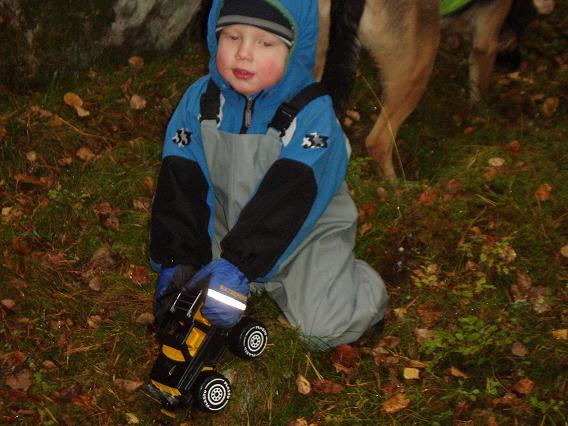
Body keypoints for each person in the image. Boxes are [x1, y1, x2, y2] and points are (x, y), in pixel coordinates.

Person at [149, 0, 388, 350]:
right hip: (229, 225)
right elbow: (181, 182)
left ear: (295, 49)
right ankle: (243, 274)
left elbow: (291, 199)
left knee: (325, 327)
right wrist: (178, 258)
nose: (244, 53)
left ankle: (361, 289)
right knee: (189, 297)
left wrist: (239, 263)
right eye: (233, 37)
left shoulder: (312, 114)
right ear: (214, 35)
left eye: (265, 42)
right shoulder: (199, 102)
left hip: (305, 233)